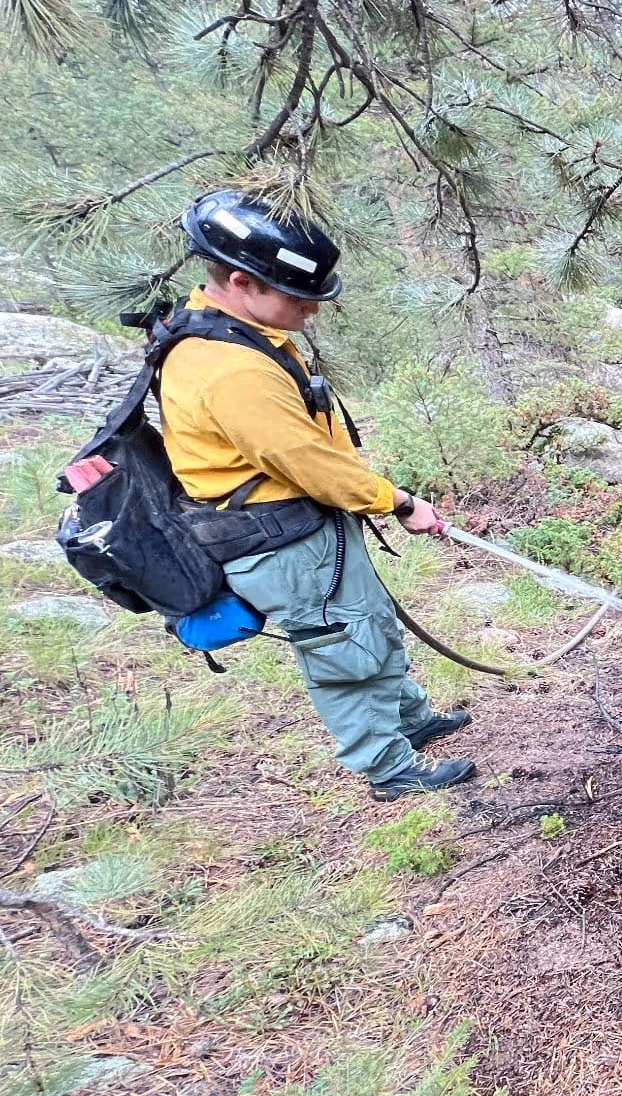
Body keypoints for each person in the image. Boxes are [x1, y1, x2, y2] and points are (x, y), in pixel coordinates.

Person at [69, 191, 475, 801]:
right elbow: (305, 461)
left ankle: (410, 721)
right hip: (278, 538)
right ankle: (387, 766)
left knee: (368, 624)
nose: (311, 311)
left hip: (305, 526)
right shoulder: (229, 369)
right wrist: (399, 502)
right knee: (341, 648)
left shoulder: (235, 332)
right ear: (239, 280)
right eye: (300, 297)